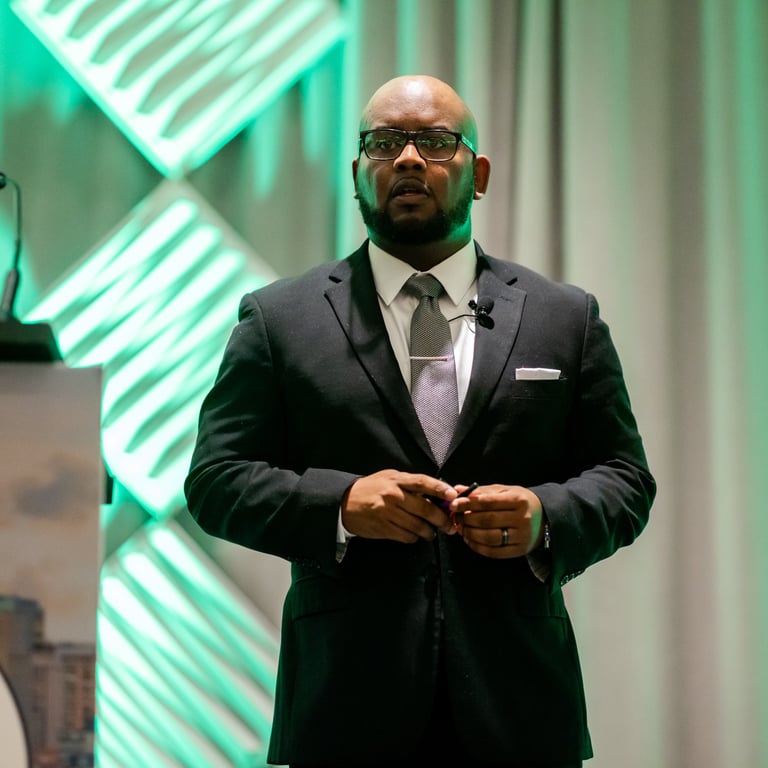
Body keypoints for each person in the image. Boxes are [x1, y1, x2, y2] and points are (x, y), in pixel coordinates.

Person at [184, 74, 655, 767]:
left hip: (520, 707)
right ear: (357, 175)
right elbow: (216, 481)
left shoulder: (565, 318)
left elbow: (624, 478)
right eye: (383, 142)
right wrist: (341, 505)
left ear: (479, 172)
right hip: (343, 706)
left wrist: (543, 518)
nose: (407, 159)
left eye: (434, 141)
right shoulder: (278, 319)